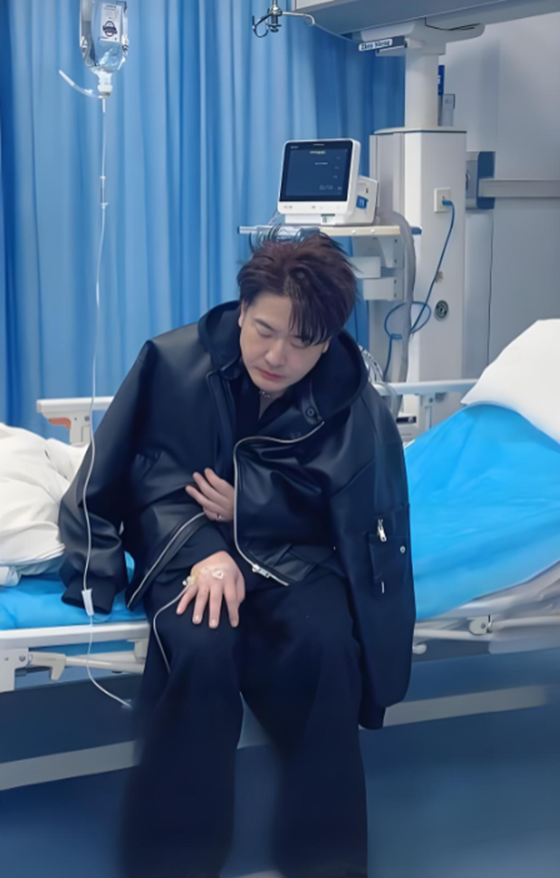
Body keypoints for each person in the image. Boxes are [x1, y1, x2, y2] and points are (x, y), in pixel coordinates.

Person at [59, 232, 416, 878]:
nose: (276, 356)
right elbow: (128, 483)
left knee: (327, 648)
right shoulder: (172, 363)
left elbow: (360, 514)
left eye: (301, 342)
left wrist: (251, 505)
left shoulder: (350, 396)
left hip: (292, 554)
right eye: (264, 330)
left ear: (329, 342)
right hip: (186, 550)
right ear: (242, 310)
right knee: (201, 649)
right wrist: (203, 549)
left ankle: (328, 862)